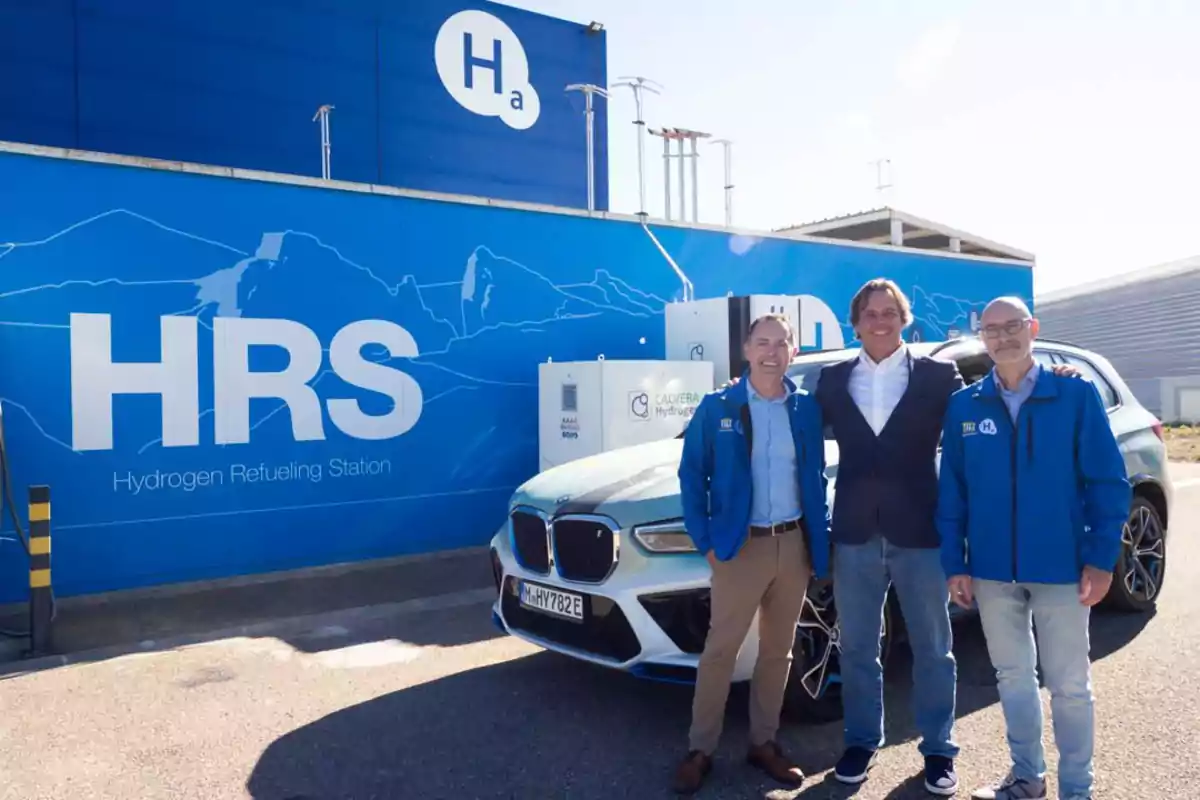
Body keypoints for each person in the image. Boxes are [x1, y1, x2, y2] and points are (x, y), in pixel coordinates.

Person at [937, 296, 1130, 800]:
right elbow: (953, 490)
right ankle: (1027, 777)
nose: (1003, 337)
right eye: (992, 330)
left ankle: (1076, 789)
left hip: (1063, 568)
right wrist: (955, 563)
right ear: (982, 338)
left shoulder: (1074, 395)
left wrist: (1101, 557)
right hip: (993, 569)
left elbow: (1108, 482)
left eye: (1013, 326)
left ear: (1033, 329)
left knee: (1069, 685)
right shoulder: (964, 406)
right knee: (1013, 677)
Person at [814, 278, 964, 795]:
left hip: (920, 530)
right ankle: (860, 740)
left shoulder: (940, 376)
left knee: (933, 647)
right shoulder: (832, 381)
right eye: (870, 313)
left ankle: (939, 749)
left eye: (890, 312)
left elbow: (981, 418)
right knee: (857, 646)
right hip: (855, 532)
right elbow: (792, 430)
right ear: (855, 322)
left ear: (905, 318)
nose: (880, 321)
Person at [671, 313, 831, 795]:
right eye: (763, 342)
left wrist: (814, 545)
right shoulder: (718, 406)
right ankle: (701, 749)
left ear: (793, 353)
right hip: (739, 550)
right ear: (746, 349)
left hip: (791, 546)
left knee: (778, 653)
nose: (772, 352)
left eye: (782, 344)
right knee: (720, 652)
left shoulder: (804, 409)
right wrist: (707, 543)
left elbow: (816, 478)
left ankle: (764, 742)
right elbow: (691, 475)